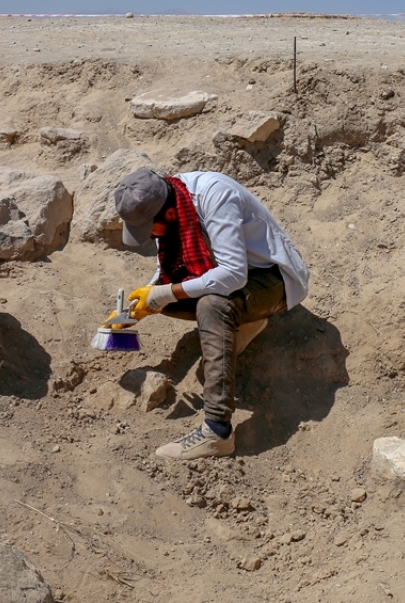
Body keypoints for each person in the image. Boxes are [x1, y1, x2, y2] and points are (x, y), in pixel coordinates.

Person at [114, 168, 309, 459]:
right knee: (165, 296)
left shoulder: (215, 195)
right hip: (237, 280)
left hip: (273, 280)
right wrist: (142, 304)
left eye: (149, 229)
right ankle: (246, 322)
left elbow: (233, 274)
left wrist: (166, 293)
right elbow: (169, 266)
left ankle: (218, 433)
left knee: (211, 305)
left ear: (166, 214)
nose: (150, 236)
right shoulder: (169, 198)